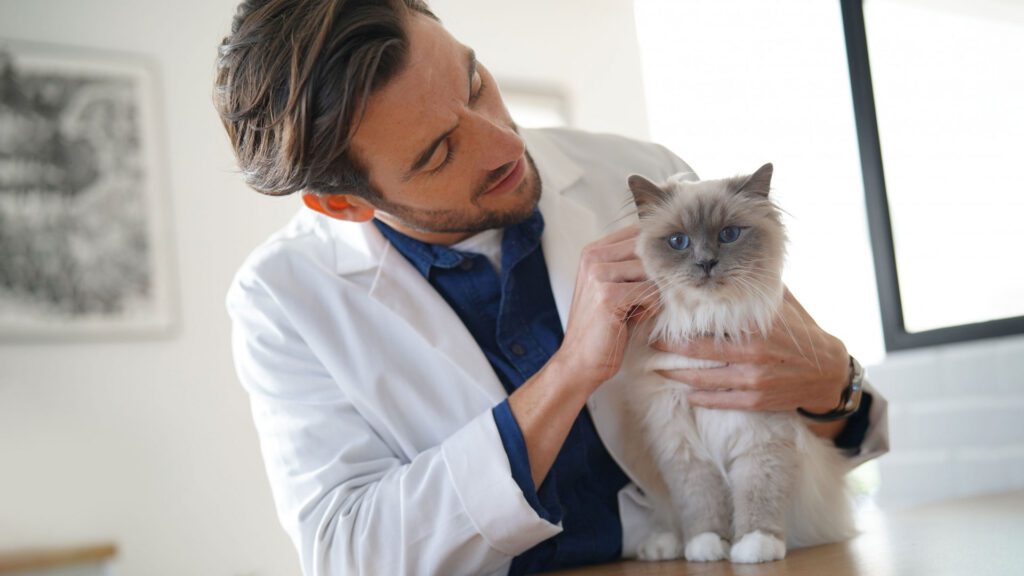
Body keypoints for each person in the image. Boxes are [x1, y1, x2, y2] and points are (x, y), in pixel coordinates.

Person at [215, 1, 889, 574]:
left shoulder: (644, 176)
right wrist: (569, 374)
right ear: (345, 205)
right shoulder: (281, 301)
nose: (502, 145)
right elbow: (350, 553)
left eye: (473, 81)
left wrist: (838, 385)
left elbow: (820, 427)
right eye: (438, 153)